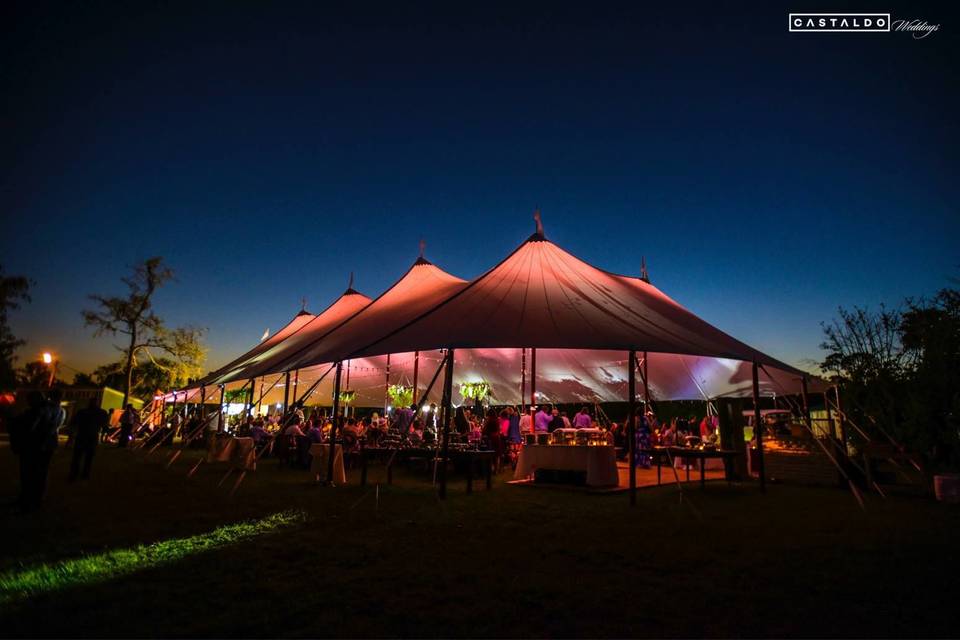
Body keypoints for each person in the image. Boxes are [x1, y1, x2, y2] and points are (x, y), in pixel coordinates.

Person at [10, 391, 61, 512]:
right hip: (47, 446)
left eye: (30, 401)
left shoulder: (39, 410)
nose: (28, 403)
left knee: (30, 474)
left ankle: (28, 501)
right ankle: (34, 500)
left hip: (35, 446)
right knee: (40, 474)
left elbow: (30, 427)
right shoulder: (57, 409)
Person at [68, 398, 108, 481]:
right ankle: (85, 474)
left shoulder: (82, 412)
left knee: (77, 456)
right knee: (88, 457)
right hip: (92, 437)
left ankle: (74, 474)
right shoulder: (102, 413)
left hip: (81, 436)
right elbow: (104, 425)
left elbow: (73, 423)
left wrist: (72, 435)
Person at [483, 408, 503, 472]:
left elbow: (484, 430)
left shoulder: (489, 421)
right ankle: (496, 469)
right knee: (497, 455)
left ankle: (491, 469)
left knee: (491, 454)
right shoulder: (497, 420)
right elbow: (499, 429)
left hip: (491, 439)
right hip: (497, 438)